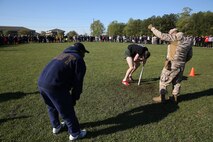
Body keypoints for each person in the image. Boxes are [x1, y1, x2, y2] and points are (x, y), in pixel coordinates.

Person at [38, 42, 89, 141]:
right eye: (84, 53)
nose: (84, 55)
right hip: (55, 86)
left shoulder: (61, 54)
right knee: (67, 110)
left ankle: (56, 127)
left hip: (41, 82)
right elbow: (78, 83)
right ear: (81, 51)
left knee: (51, 106)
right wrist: (74, 98)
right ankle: (75, 133)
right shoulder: (78, 59)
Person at [148, 24, 193, 103]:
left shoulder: (175, 37)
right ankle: (175, 97)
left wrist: (152, 28)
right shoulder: (188, 40)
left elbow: (161, 35)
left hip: (172, 63)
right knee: (177, 81)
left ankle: (162, 98)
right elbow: (190, 55)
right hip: (181, 64)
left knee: (163, 80)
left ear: (173, 33)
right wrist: (182, 61)